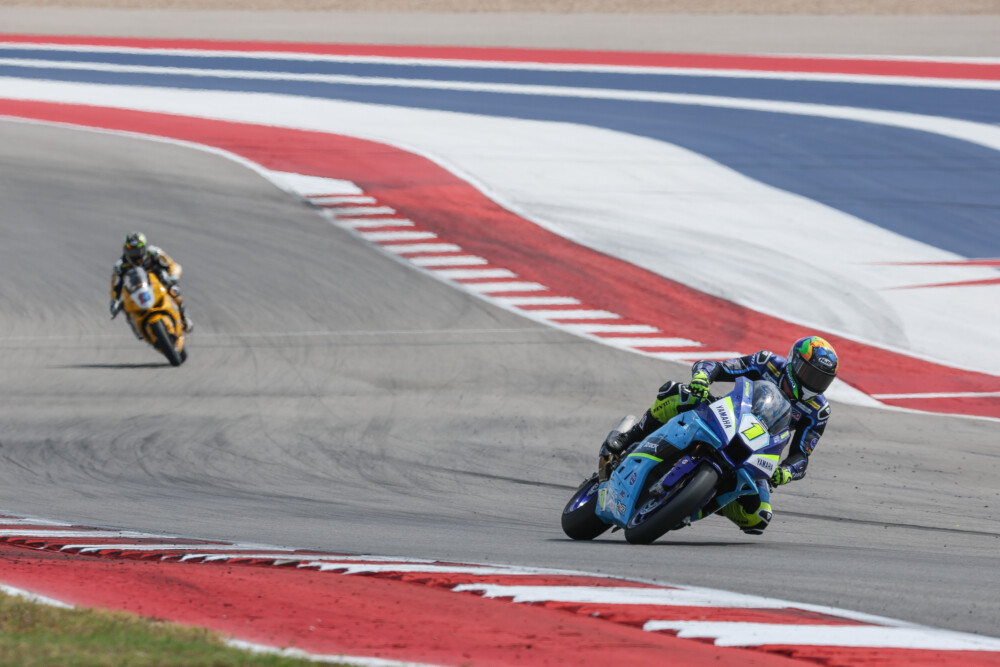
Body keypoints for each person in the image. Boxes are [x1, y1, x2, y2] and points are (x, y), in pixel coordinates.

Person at [599, 335, 838, 535]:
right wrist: (702, 378)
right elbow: (718, 367)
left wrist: (786, 472)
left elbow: (801, 455)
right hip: (728, 415)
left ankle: (696, 502)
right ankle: (629, 437)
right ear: (794, 362)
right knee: (680, 394)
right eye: (810, 374)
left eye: (822, 380)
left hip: (759, 447)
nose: (813, 384)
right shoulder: (768, 363)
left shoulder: (818, 411)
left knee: (758, 517)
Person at [109, 232, 193, 334]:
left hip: (158, 283)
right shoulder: (120, 265)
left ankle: (183, 317)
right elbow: (115, 284)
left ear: (143, 247)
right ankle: (136, 328)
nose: (134, 254)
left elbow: (172, 264)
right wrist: (114, 301)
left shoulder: (154, 252)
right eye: (130, 250)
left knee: (174, 290)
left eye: (137, 250)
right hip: (136, 290)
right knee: (125, 306)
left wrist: (173, 276)